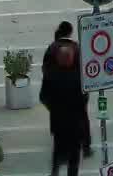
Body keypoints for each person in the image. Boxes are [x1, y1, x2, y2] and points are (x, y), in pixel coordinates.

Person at [39, 30, 86, 176]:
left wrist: (52, 107)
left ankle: (55, 171)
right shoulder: (79, 77)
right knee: (74, 157)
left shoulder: (51, 75)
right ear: (71, 59)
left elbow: (43, 96)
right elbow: (84, 99)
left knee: (58, 151)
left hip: (58, 121)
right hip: (75, 124)